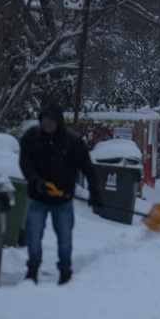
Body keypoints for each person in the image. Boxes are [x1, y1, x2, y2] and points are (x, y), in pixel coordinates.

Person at [19, 104, 101, 285]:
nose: (47, 123)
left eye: (51, 120)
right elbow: (25, 162)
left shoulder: (72, 141)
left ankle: (65, 271)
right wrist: (35, 180)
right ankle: (32, 269)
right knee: (34, 236)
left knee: (64, 239)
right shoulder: (32, 137)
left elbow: (87, 167)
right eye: (44, 119)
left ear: (59, 122)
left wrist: (94, 190)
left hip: (63, 200)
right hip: (37, 198)